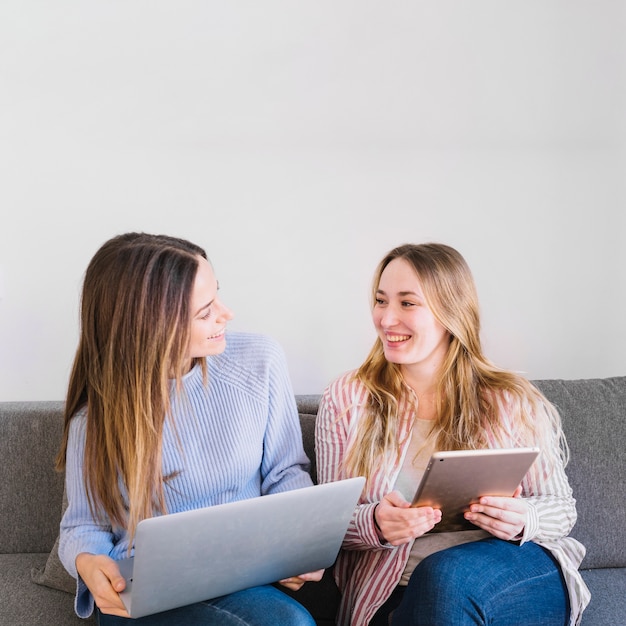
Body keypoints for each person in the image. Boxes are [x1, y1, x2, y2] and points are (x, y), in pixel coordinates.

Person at [315, 243, 590, 626]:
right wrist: (375, 523)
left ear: (450, 313)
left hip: (510, 571)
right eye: (381, 301)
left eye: (407, 304)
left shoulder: (509, 398)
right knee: (438, 582)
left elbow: (562, 507)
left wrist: (523, 516)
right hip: (400, 587)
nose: (387, 319)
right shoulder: (347, 398)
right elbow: (327, 524)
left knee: (446, 576)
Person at [56, 232, 322, 625]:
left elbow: (284, 473)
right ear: (151, 325)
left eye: (218, 295)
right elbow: (84, 524)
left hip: (242, 576)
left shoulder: (260, 360)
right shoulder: (97, 419)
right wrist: (89, 562)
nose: (226, 313)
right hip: (143, 591)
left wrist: (301, 544)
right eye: (205, 311)